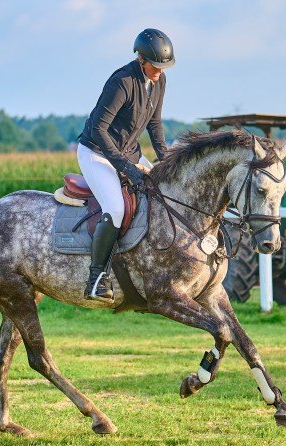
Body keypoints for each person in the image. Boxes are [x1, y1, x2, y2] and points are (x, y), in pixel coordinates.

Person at [78, 28, 175, 301]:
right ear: (141, 59)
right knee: (116, 208)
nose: (159, 70)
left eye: (163, 66)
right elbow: (99, 129)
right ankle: (96, 277)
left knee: (163, 191)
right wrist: (124, 166)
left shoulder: (159, 81)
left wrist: (165, 160)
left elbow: (155, 124)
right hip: (96, 152)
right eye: (155, 65)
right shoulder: (121, 82)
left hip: (129, 153)